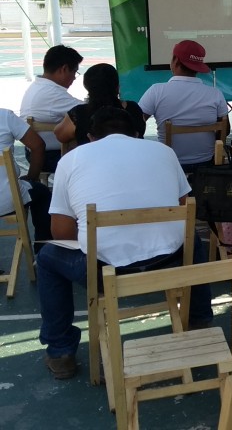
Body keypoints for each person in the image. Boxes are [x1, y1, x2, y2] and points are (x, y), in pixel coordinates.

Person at [36, 107, 213, 380]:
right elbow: (185, 209)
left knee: (48, 257)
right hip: (172, 263)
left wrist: (113, 244)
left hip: (103, 270)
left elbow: (60, 231)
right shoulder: (163, 152)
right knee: (192, 239)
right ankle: (200, 321)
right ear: (136, 134)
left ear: (90, 137)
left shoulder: (70, 160)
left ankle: (61, 352)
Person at [138, 40, 229, 172]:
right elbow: (224, 129)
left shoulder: (156, 91)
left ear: (175, 60)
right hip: (207, 164)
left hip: (169, 164)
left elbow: (137, 123)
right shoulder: (215, 93)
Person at [19, 45, 84, 172]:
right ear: (64, 69)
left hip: (35, 153)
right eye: (74, 72)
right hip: (51, 155)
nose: (75, 78)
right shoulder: (51, 94)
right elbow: (88, 111)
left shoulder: (38, 86)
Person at [53, 63, 145, 148]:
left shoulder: (79, 113)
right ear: (117, 86)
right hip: (132, 162)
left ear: (87, 87)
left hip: (89, 163)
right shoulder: (134, 108)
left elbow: (60, 136)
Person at [0, 108, 52, 256]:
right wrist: (32, 177)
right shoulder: (4, 116)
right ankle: (44, 253)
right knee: (41, 192)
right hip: (6, 201)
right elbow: (38, 146)